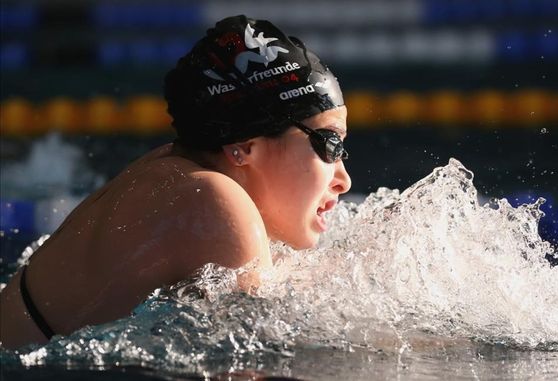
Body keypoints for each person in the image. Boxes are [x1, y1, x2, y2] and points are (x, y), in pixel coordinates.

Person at [0, 15, 351, 349]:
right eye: (329, 143)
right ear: (244, 146)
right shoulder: (214, 200)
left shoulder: (172, 168)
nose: (343, 180)